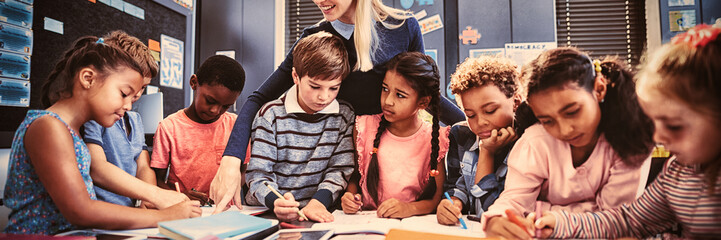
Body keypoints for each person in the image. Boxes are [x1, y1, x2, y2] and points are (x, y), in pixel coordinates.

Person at [210, 0, 464, 213]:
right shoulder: (314, 38)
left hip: (387, 156)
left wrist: (469, 124)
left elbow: (427, 93)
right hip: (340, 166)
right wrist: (231, 160)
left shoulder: (402, 27)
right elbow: (258, 98)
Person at [535, 24, 721, 239]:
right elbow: (631, 220)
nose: (657, 137)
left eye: (673, 126)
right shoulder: (677, 171)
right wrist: (560, 223)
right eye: (653, 122)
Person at [3, 35, 200, 235]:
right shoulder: (48, 127)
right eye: (124, 94)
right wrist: (166, 216)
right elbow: (80, 210)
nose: (129, 106)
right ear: (88, 78)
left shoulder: (67, 130)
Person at [482, 47, 656, 239]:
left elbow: (616, 223)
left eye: (572, 112)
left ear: (599, 89)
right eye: (547, 121)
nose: (564, 130)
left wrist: (548, 213)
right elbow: (513, 203)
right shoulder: (535, 142)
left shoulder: (631, 140)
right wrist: (497, 219)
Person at [244, 31, 353, 223]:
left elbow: (340, 169)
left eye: (333, 88)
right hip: (270, 215)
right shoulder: (270, 115)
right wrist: (276, 202)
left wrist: (319, 202)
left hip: (320, 214)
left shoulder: (344, 115)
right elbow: (258, 175)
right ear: (295, 76)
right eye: (315, 86)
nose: (324, 97)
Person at [82, 31, 185, 209]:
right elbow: (96, 167)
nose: (136, 95)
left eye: (143, 87)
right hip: (104, 211)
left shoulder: (135, 119)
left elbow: (143, 166)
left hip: (129, 212)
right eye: (126, 90)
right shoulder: (96, 116)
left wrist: (149, 199)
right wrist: (155, 194)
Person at [340, 52, 448, 219]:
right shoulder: (364, 128)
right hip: (367, 225)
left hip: (412, 228)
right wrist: (350, 196)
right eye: (385, 89)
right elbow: (355, 176)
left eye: (400, 95)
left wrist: (408, 209)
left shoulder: (435, 139)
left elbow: (436, 198)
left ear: (423, 102)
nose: (388, 101)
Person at [436, 56, 530, 225]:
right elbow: (457, 186)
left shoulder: (529, 144)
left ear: (516, 102)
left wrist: (486, 152)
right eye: (470, 115)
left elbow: (490, 212)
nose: (480, 123)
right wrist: (452, 203)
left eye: (490, 110)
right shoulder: (461, 135)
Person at [150, 55, 245, 205]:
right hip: (183, 210)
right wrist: (181, 196)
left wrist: (228, 190)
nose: (215, 110)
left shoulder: (237, 126)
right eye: (210, 101)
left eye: (225, 106)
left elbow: (244, 170)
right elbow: (156, 181)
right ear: (194, 83)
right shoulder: (169, 127)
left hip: (224, 213)